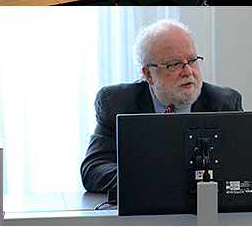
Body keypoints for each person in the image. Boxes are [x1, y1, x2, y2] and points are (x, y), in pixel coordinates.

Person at [80, 19, 243, 194]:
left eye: (192, 60)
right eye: (173, 64)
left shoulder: (224, 103)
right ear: (148, 74)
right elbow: (94, 168)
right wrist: (156, 185)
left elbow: (244, 165)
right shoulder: (117, 103)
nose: (188, 71)